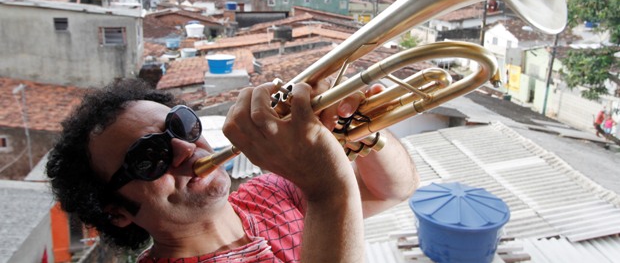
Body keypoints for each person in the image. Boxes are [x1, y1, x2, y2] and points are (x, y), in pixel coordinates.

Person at [46, 78, 418, 262]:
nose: (185, 148)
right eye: (147, 157)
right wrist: (328, 188)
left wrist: (362, 129)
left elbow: (389, 190)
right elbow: (338, 193)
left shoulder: (265, 193)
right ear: (118, 213)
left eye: (180, 125)